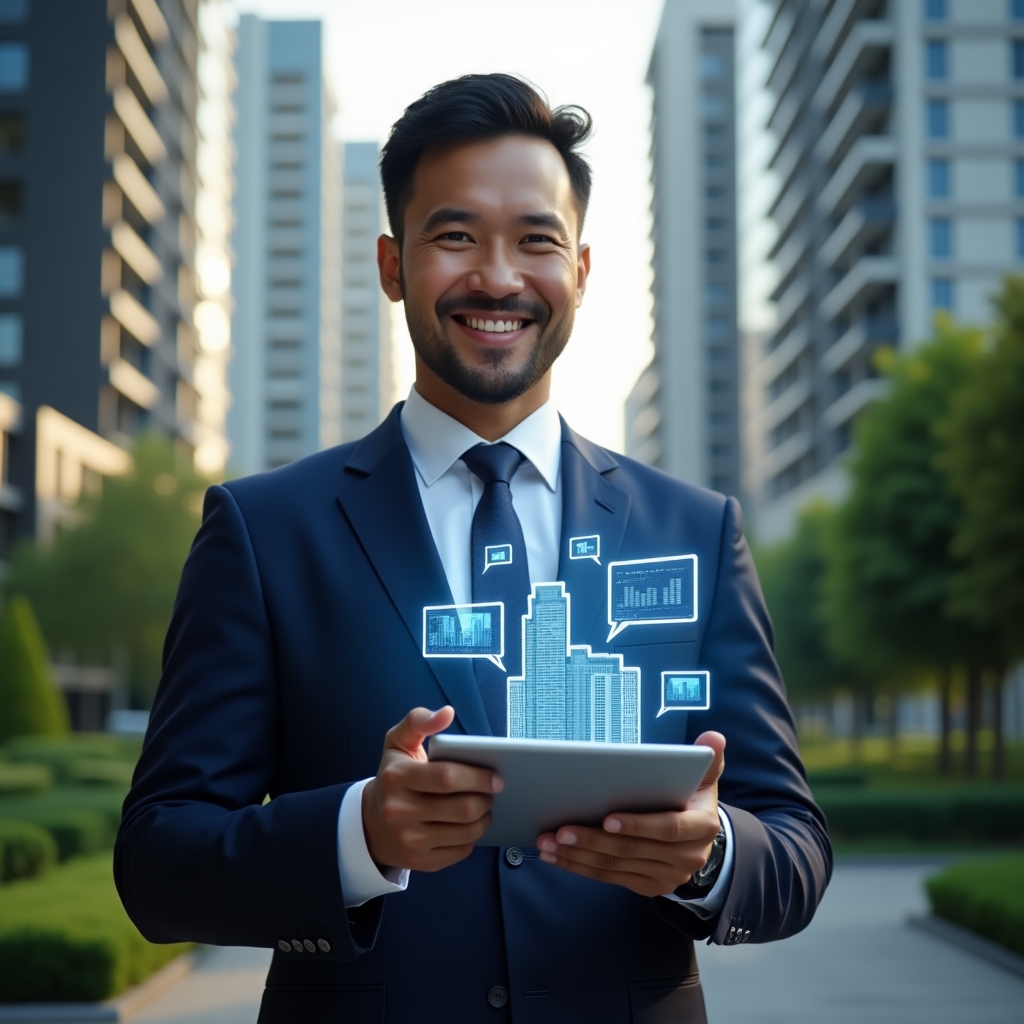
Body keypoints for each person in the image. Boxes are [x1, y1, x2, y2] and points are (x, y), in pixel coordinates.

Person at [115, 74, 831, 1024]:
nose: (497, 277)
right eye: (455, 236)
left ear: (580, 269)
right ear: (391, 263)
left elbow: (795, 850)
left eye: (535, 241)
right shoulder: (264, 530)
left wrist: (709, 856)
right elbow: (160, 863)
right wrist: (357, 834)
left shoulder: (696, 532)